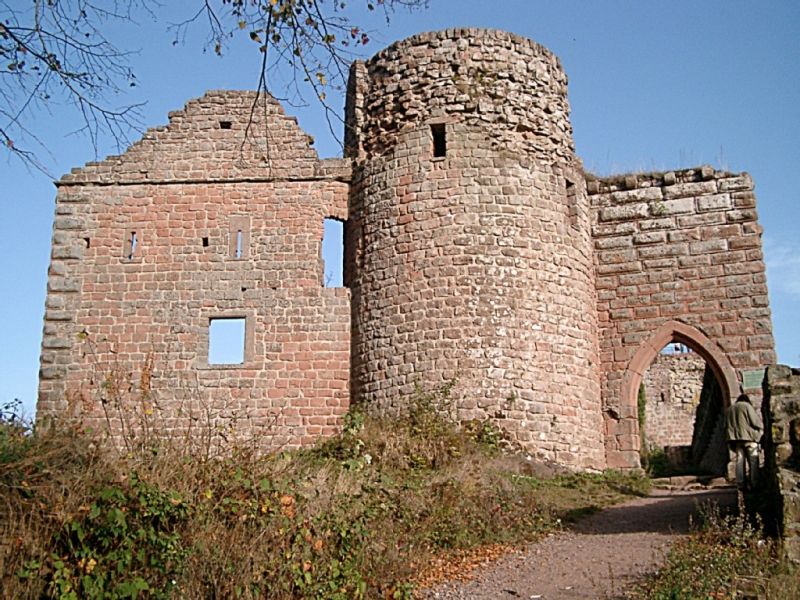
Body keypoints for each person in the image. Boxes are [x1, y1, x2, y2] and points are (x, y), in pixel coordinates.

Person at [725, 393, 763, 490]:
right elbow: (755, 422)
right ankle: (754, 483)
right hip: (750, 438)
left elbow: (725, 426)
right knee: (753, 461)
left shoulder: (730, 409)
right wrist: (761, 429)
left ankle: (741, 484)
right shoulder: (747, 406)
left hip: (736, 440)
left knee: (739, 461)